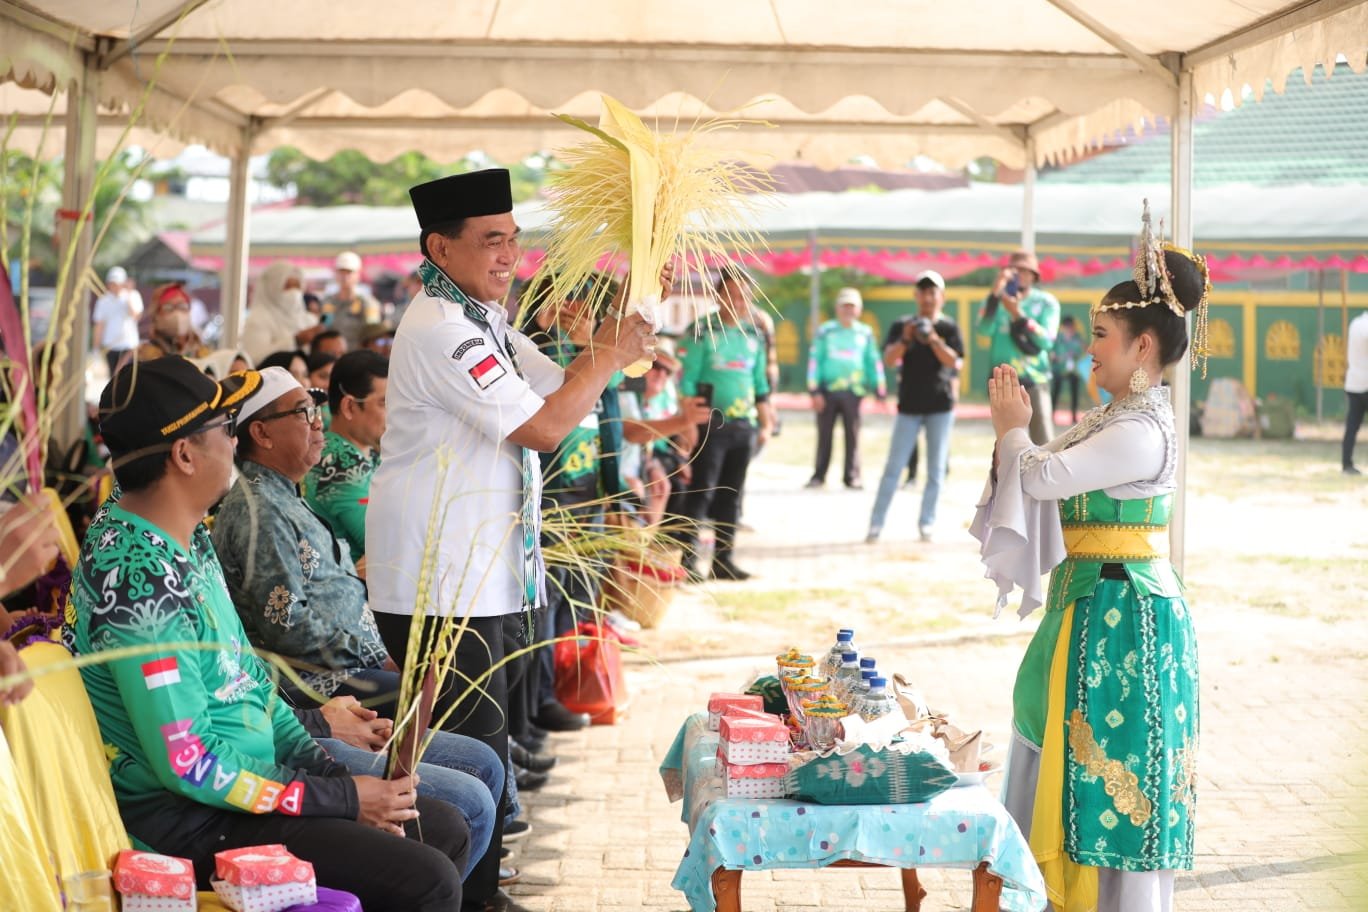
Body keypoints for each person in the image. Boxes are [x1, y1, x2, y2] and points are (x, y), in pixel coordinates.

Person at [68, 357, 470, 911]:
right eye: (226, 432)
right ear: (185, 455)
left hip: (242, 790)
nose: (236, 446)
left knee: (438, 826)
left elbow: (250, 686)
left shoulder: (182, 532)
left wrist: (326, 768)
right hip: (196, 821)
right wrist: (340, 796)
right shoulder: (141, 585)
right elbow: (191, 764)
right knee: (428, 876)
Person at [365, 168, 656, 912]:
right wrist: (605, 358)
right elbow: (547, 425)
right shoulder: (441, 330)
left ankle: (479, 897)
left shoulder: (482, 320)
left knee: (482, 759)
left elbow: (563, 392)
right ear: (440, 245)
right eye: (491, 240)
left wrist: (607, 349)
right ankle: (468, 900)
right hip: (440, 585)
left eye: (515, 239)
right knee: (464, 766)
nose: (510, 255)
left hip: (474, 579)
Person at [975, 215, 1206, 912]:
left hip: (1126, 625)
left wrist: (1014, 431)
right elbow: (1048, 469)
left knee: (1113, 787)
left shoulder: (1139, 429)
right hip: (1093, 610)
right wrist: (1020, 438)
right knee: (1054, 750)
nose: (1088, 351)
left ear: (1143, 346)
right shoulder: (1115, 417)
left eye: (1100, 336)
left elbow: (1042, 477)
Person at [676, 267, 774, 581]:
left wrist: (765, 420)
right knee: (702, 492)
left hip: (742, 424)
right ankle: (688, 562)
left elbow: (759, 382)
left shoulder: (754, 334)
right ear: (718, 296)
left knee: (732, 493)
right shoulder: (701, 331)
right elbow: (686, 380)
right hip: (708, 424)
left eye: (743, 295)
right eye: (730, 294)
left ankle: (723, 560)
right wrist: (687, 424)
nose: (737, 301)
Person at [867, 270, 963, 543]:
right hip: (908, 406)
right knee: (893, 468)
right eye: (922, 292)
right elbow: (888, 358)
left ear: (941, 297)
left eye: (933, 292)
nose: (927, 297)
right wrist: (907, 338)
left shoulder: (948, 328)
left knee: (935, 470)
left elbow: (954, 362)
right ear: (915, 296)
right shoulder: (902, 325)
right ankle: (876, 524)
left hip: (940, 407)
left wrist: (933, 338)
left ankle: (927, 524)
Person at [303, 350, 388, 564]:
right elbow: (388, 544)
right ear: (349, 406)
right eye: (384, 403)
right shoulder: (341, 464)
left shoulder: (363, 451)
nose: (395, 413)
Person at [805, 287, 886, 489]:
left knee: (853, 434)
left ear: (859, 309)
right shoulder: (826, 331)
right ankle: (819, 475)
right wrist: (814, 390)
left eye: (852, 306)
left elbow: (872, 361)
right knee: (824, 434)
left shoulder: (864, 333)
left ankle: (852, 476)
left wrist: (879, 387)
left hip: (853, 391)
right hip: (827, 391)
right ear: (837, 308)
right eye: (845, 305)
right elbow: (815, 359)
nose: (848, 310)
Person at [976, 250, 1060, 444]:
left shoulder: (1046, 302)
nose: (1019, 275)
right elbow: (982, 330)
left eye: (1025, 270)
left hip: (1035, 380)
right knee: (1008, 444)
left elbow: (1047, 340)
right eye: (1014, 270)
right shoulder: (995, 302)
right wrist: (995, 293)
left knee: (1043, 443)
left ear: (1034, 275)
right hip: (1004, 381)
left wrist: (1018, 314)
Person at [242, 261, 322, 364]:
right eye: (287, 287)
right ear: (272, 288)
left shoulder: (308, 319)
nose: (294, 292)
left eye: (297, 287)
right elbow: (254, 359)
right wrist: (295, 341)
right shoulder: (258, 320)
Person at [136, 282, 212, 362]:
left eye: (182, 306)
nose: (177, 314)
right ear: (156, 315)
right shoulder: (146, 355)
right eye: (168, 308)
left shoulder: (203, 353)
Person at [324, 251, 383, 350]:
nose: (345, 276)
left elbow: (373, 332)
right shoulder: (328, 302)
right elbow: (325, 326)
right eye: (341, 272)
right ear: (336, 274)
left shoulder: (369, 303)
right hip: (334, 356)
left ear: (358, 274)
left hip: (358, 355)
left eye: (349, 272)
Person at [92, 265, 143, 375]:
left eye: (117, 283)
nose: (114, 286)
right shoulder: (103, 301)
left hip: (129, 345)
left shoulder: (133, 296)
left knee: (125, 376)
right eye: (112, 283)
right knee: (114, 379)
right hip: (111, 346)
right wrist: (96, 348)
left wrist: (128, 296)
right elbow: (99, 325)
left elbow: (135, 315)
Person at [1342, 307, 1368, 475]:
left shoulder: (1355, 323)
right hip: (1366, 382)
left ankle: (1346, 464)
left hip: (1353, 382)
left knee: (1352, 426)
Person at [1050, 315, 1086, 424]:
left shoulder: (1077, 337)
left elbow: (1084, 350)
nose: (1069, 328)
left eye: (1070, 326)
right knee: (1055, 392)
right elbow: (1051, 352)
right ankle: (1051, 414)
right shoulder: (1058, 338)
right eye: (1067, 326)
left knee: (1074, 392)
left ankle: (1074, 416)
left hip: (1073, 370)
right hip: (1059, 368)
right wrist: (1055, 357)